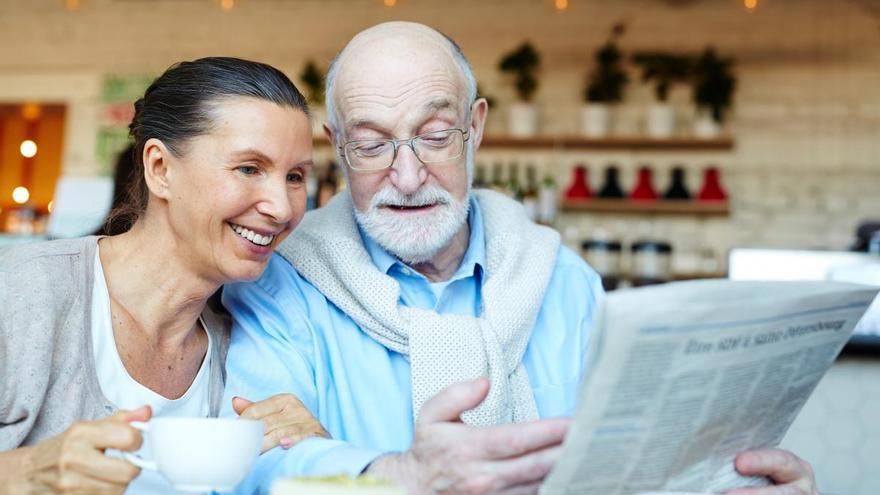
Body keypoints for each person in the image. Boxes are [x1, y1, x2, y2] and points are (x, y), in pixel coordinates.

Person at [223, 23, 818, 495]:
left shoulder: (565, 282)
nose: (406, 177)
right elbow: (252, 463)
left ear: (474, 130)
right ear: (339, 146)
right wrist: (402, 478)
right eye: (373, 144)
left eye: (434, 136)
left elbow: (628, 470)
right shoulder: (283, 284)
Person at [0, 57, 326, 495]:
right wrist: (23, 470)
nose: (283, 208)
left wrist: (310, 458)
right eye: (249, 168)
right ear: (160, 168)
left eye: (295, 176)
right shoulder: (20, 292)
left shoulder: (252, 342)